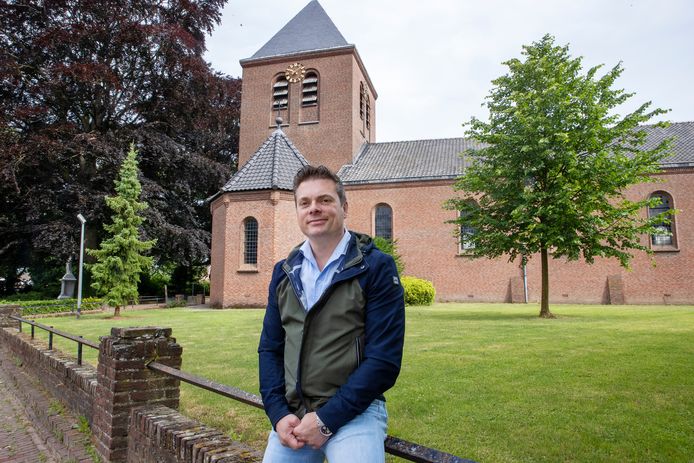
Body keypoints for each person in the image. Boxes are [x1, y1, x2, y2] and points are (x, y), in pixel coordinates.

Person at [258, 165, 406, 463]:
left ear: (344, 207)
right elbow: (270, 348)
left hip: (356, 413)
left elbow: (384, 360)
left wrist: (327, 419)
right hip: (295, 415)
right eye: (305, 203)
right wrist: (277, 413)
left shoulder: (376, 267)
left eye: (324, 200)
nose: (314, 209)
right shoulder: (283, 272)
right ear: (298, 211)